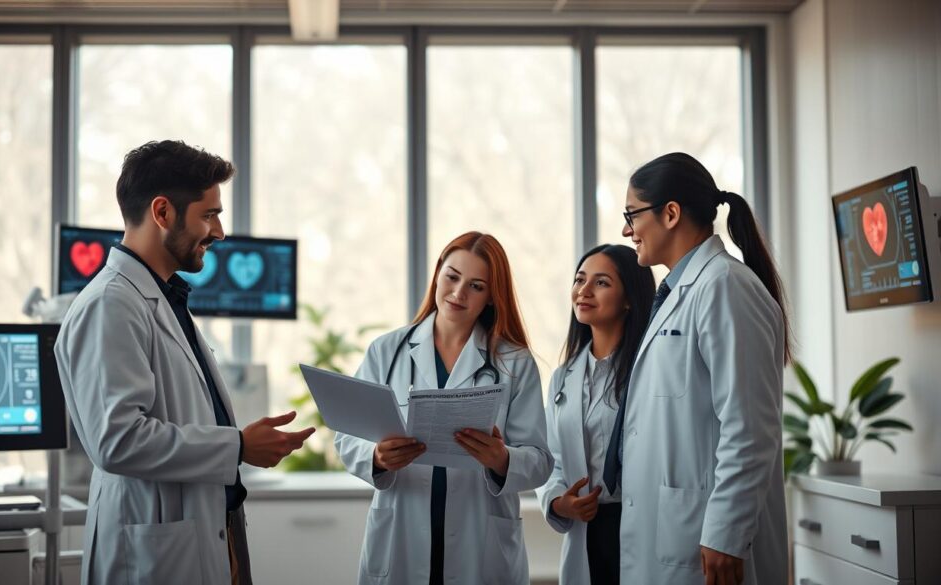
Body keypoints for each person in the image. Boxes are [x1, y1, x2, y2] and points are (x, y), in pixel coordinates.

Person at [55, 140, 315, 585]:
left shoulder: (163, 296)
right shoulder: (110, 305)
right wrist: (237, 447)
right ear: (163, 212)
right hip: (152, 549)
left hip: (204, 527)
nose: (219, 232)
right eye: (209, 214)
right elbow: (117, 440)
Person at [605, 152, 790, 585]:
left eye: (632, 214)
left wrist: (727, 532)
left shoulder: (724, 287)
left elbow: (750, 426)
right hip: (671, 531)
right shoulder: (679, 293)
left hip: (707, 542)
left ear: (670, 214)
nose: (626, 230)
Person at [335, 231, 553, 585]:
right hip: (400, 536)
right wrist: (376, 456)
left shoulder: (514, 361)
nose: (458, 293)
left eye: (476, 286)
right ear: (438, 273)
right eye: (452, 277)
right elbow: (346, 438)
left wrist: (501, 459)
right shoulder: (386, 350)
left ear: (492, 297)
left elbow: (541, 461)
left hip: (479, 544)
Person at [537, 244, 655, 585]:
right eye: (579, 280)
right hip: (586, 529)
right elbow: (552, 460)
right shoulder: (563, 377)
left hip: (639, 523)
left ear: (629, 298)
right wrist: (560, 503)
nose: (583, 291)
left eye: (601, 283)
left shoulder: (650, 372)